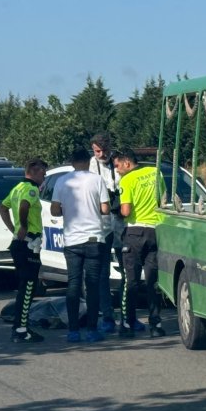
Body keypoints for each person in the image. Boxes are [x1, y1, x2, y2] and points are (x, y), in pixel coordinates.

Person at [52, 147, 110, 343]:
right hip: (94, 239)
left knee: (73, 284)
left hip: (72, 240)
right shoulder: (97, 180)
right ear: (88, 161)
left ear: (72, 161)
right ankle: (93, 330)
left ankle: (73, 330)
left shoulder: (62, 181)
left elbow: (54, 210)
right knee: (92, 285)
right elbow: (105, 208)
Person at [113, 148, 165, 337]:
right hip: (154, 230)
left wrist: (116, 210)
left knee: (131, 281)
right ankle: (156, 325)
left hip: (134, 232)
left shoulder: (127, 180)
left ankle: (127, 324)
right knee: (153, 281)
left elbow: (126, 211)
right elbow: (162, 199)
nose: (117, 170)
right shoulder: (155, 172)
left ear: (127, 163)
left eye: (117, 166)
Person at [0, 157, 48, 343]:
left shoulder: (17, 188)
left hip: (19, 244)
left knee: (24, 287)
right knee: (28, 287)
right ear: (33, 171)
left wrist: (13, 229)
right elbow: (25, 206)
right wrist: (23, 227)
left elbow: (2, 208)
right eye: (42, 172)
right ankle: (21, 329)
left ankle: (20, 326)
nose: (44, 176)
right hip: (28, 244)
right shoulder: (31, 189)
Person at [89, 133, 123, 333]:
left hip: (120, 222)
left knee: (126, 271)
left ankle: (127, 315)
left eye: (104, 150)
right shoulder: (91, 166)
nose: (101, 154)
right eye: (97, 151)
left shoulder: (117, 162)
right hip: (101, 226)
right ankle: (107, 315)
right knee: (102, 273)